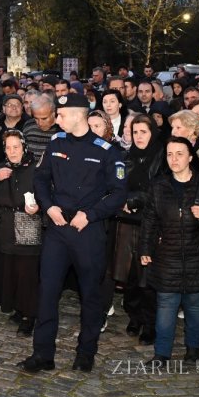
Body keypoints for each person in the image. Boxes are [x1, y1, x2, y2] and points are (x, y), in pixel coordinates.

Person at [20, 93, 127, 374]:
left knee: (90, 294)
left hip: (87, 230)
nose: (57, 119)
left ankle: (85, 353)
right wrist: (49, 206)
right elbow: (41, 178)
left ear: (79, 115)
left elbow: (118, 193)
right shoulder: (56, 142)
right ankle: (42, 353)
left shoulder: (106, 150)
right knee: (47, 291)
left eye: (62, 114)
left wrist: (90, 215)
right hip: (58, 228)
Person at [139, 136, 199, 366]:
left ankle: (193, 350)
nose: (174, 159)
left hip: (197, 256)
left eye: (179, 154)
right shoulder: (158, 186)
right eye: (170, 154)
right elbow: (149, 220)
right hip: (166, 256)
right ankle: (162, 353)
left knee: (194, 305)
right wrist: (145, 248)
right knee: (166, 305)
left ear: (190, 157)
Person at [0, 130, 40, 336]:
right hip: (5, 227)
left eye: (16, 147)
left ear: (24, 147)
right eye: (8, 147)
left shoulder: (35, 169)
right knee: (10, 271)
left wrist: (38, 207)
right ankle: (18, 308)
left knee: (27, 273)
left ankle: (29, 315)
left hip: (27, 224)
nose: (12, 151)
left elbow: (47, 195)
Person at [113, 114, 164, 345]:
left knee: (149, 276)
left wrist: (135, 200)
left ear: (152, 132)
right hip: (128, 222)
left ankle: (150, 322)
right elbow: (117, 183)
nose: (139, 136)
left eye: (144, 132)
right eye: (135, 132)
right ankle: (134, 316)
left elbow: (160, 189)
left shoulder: (162, 156)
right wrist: (123, 200)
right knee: (130, 275)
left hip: (152, 224)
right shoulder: (126, 157)